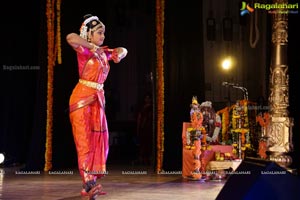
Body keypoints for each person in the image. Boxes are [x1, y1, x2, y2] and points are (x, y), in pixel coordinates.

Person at [66, 14, 127, 199]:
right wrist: (91, 46)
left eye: (104, 33)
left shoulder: (102, 53)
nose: (102, 36)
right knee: (84, 143)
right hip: (82, 100)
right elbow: (70, 37)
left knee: (99, 142)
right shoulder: (84, 52)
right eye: (99, 33)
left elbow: (123, 50)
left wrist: (118, 53)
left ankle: (89, 182)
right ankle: (88, 183)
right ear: (89, 34)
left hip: (97, 101)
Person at [136, 93, 153, 165]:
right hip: (143, 128)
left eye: (149, 98)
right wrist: (138, 127)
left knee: (148, 144)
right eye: (146, 98)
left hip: (149, 128)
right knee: (143, 144)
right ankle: (143, 159)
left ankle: (148, 159)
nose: (147, 100)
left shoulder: (152, 108)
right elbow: (140, 118)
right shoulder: (143, 108)